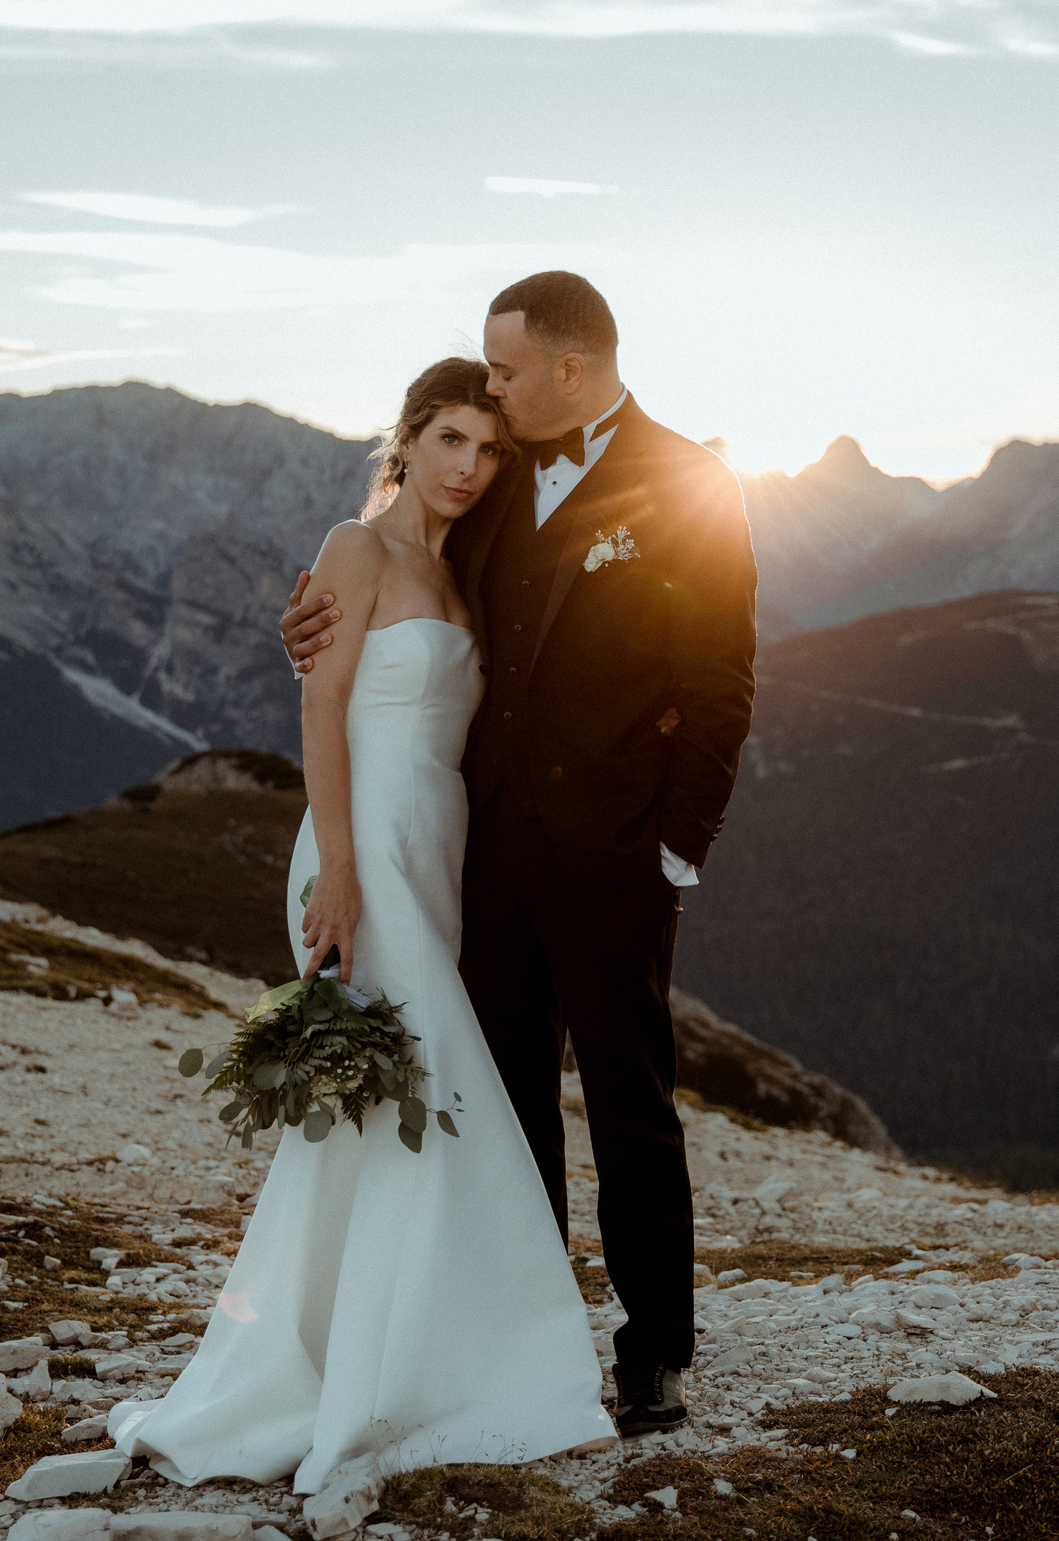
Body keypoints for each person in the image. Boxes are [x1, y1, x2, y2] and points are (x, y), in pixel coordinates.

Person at [109, 357, 618, 1492]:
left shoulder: (470, 566)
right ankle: (422, 1369)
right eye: (449, 441)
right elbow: (321, 702)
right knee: (425, 1084)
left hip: (439, 846)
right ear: (408, 437)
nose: (469, 468)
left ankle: (387, 1343)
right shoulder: (356, 546)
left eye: (488, 452)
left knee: (389, 1099)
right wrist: (336, 871)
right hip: (365, 845)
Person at [281, 273, 761, 1438]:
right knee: (504, 1106)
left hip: (615, 860)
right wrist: (306, 625)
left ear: (567, 369)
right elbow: (406, 576)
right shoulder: (492, 480)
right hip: (478, 857)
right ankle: (532, 1331)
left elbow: (719, 682)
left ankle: (656, 1352)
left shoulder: (693, 483)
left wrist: (675, 850)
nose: (487, 391)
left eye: (503, 371)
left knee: (628, 1101)